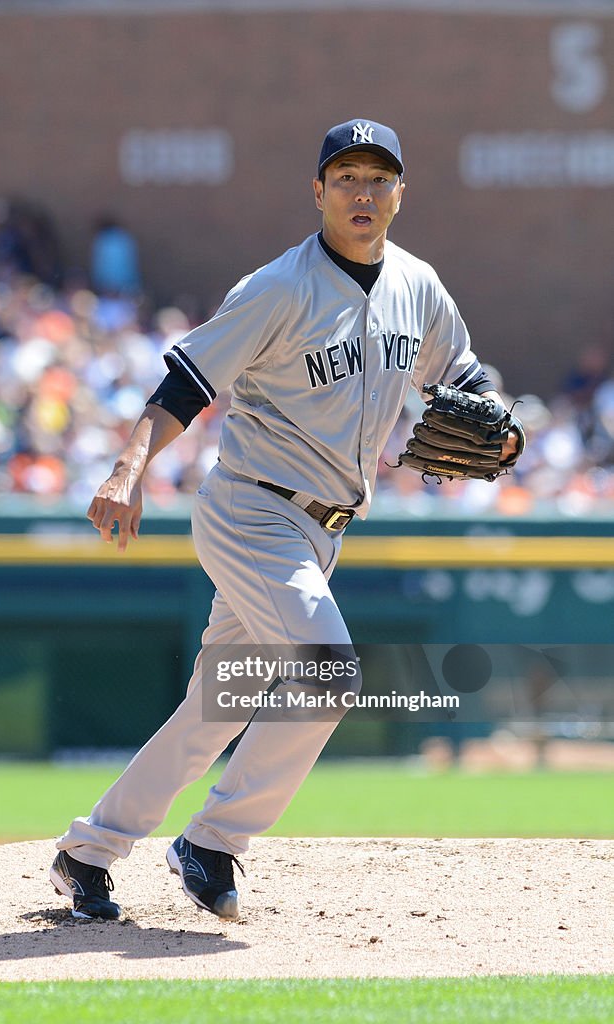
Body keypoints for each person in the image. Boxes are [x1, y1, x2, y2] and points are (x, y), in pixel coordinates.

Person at [49, 118, 521, 922]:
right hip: (252, 511)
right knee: (330, 672)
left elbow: (468, 377)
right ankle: (212, 842)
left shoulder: (417, 285)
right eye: (345, 178)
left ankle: (86, 851)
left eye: (377, 178)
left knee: (218, 704)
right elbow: (185, 385)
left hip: (322, 530)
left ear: (400, 194)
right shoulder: (277, 287)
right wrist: (129, 470)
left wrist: (503, 426)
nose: (362, 192)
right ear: (317, 191)